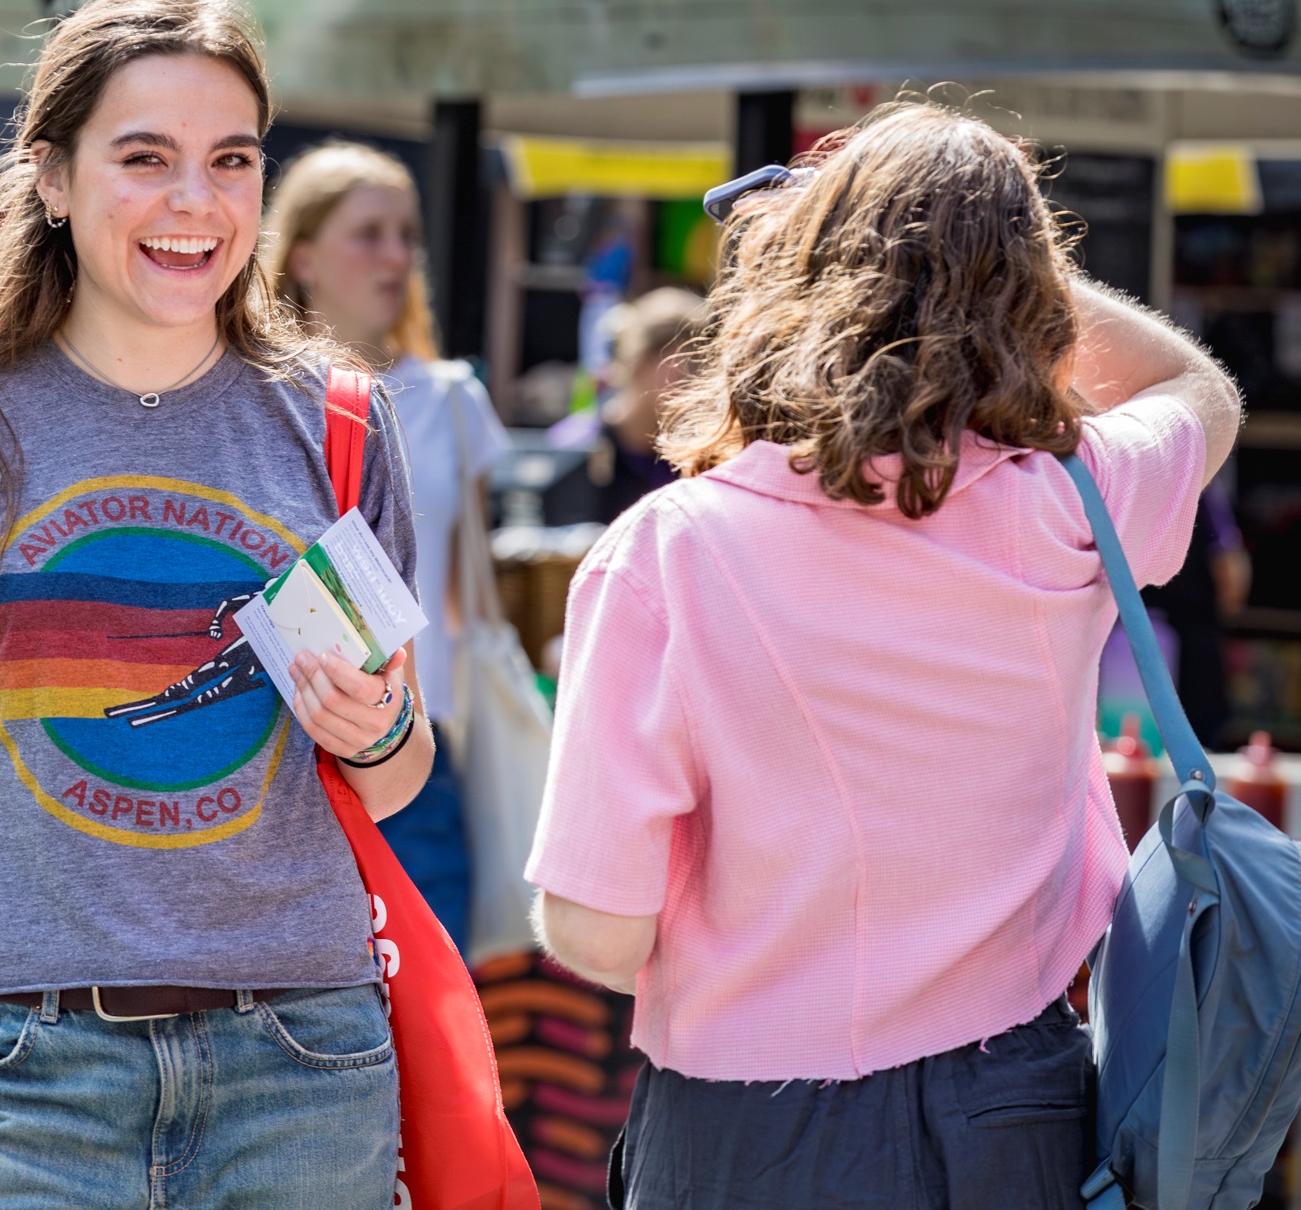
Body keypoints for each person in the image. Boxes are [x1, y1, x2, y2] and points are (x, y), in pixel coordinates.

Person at [0, 0, 431, 1208]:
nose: (197, 199)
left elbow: (394, 777)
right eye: (144, 156)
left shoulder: (340, 425)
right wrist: (52, 847)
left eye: (232, 158)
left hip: (302, 1068)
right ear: (54, 177)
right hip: (20, 1078)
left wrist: (383, 725)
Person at [529, 104, 1243, 1210]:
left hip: (747, 1123)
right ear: (1032, 297)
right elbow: (1201, 394)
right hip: (1019, 1097)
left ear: (802, 274)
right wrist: (989, 251)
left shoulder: (668, 550)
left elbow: (595, 929)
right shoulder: (1068, 501)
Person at [260, 140, 511, 950]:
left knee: (425, 1024)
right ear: (302, 256)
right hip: (271, 752)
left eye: (406, 234)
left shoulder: (451, 399)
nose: (396, 255)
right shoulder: (246, 394)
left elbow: (469, 591)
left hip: (413, 748)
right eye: (368, 232)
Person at [550, 287, 705, 525]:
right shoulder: (575, 448)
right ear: (642, 360)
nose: (695, 383)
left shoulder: (694, 464)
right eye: (685, 367)